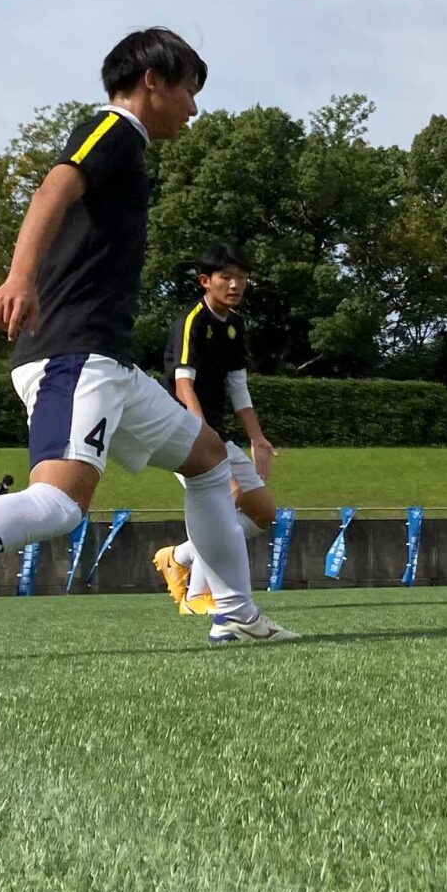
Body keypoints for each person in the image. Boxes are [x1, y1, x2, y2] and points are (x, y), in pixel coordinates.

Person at [0, 30, 293, 660]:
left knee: (209, 460)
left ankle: (235, 614)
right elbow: (54, 187)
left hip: (109, 364)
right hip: (75, 356)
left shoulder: (130, 148)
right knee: (57, 504)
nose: (193, 107)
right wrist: (20, 277)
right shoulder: (114, 128)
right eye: (189, 89)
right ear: (152, 80)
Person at [155, 245, 283, 616]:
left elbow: (237, 386)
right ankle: (197, 596)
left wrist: (257, 438)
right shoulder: (192, 321)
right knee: (226, 500)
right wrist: (201, 434)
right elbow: (182, 383)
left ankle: (178, 557)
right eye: (226, 277)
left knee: (262, 512)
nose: (235, 284)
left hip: (214, 433)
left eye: (241, 278)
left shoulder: (234, 325)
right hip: (183, 433)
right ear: (205, 281)